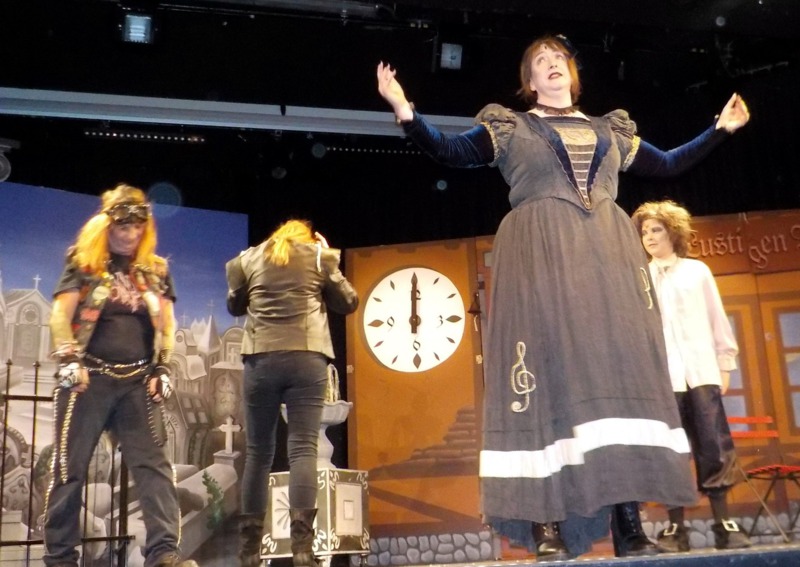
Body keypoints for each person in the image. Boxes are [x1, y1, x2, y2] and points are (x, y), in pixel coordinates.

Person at [376, 34, 750, 560]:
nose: (551, 64)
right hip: (539, 258)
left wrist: (719, 130)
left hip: (607, 261)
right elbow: (453, 152)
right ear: (530, 82)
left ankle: (628, 525)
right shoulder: (510, 127)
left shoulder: (609, 130)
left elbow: (667, 163)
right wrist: (406, 112)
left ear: (572, 75)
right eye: (540, 61)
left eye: (559, 59)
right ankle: (546, 524)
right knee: (545, 377)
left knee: (617, 381)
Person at [45, 184, 197, 567]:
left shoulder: (155, 271)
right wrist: (69, 359)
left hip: (137, 382)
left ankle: (164, 554)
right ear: (106, 225)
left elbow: (167, 325)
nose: (130, 235)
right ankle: (61, 558)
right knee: (69, 469)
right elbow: (61, 315)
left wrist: (163, 367)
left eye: (137, 227)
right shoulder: (84, 263)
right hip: (89, 378)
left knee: (154, 468)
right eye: (122, 227)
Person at [225, 219, 359, 567]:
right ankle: (302, 550)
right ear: (307, 238)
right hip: (306, 359)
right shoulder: (316, 256)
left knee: (258, 453)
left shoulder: (250, 258)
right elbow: (348, 302)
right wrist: (328, 258)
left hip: (261, 360)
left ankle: (249, 552)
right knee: (302, 450)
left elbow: (234, 306)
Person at [632, 200, 751, 552]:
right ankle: (675, 528)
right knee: (671, 450)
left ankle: (723, 523)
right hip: (662, 379)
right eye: (645, 231)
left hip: (700, 372)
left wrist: (724, 363)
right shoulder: (640, 278)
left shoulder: (697, 272)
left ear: (673, 232)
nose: (650, 237)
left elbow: (717, 318)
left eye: (656, 229)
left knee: (713, 446)